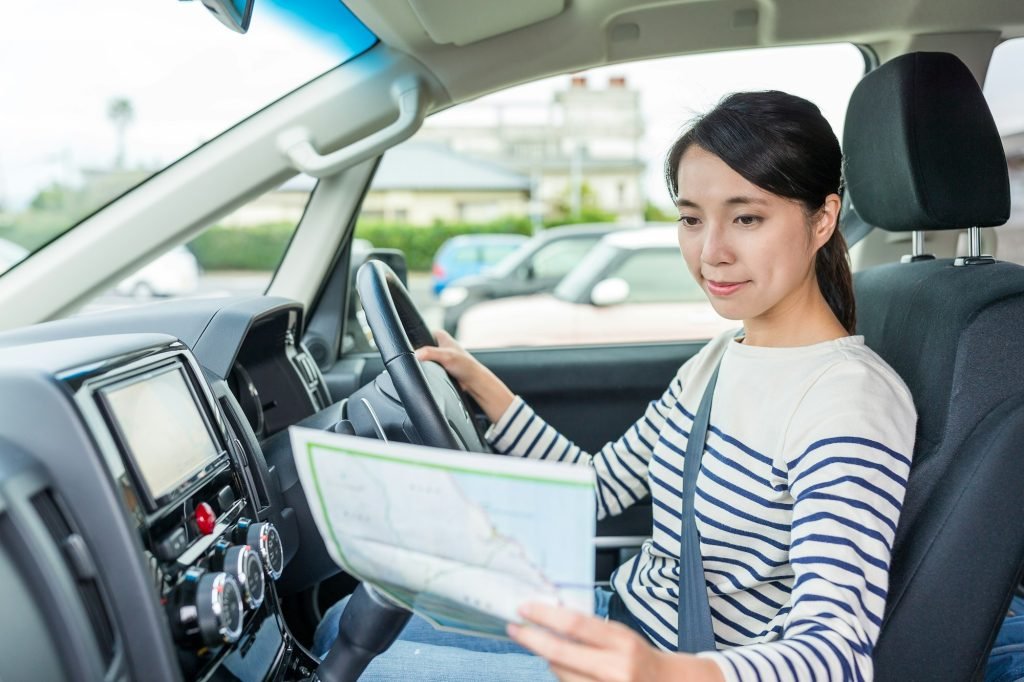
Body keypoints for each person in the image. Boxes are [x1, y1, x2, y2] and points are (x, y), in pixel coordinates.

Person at [313, 90, 917, 681]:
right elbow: (595, 489)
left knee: (364, 661)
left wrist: (659, 672)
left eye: (747, 217)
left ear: (822, 220)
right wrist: (482, 386)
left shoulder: (850, 400)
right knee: (346, 619)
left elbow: (836, 649)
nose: (711, 253)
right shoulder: (718, 358)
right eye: (690, 219)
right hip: (615, 617)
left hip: (668, 664)